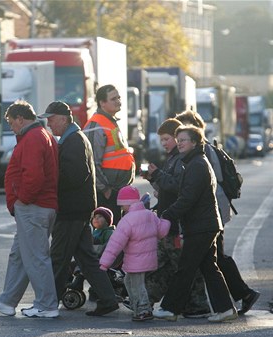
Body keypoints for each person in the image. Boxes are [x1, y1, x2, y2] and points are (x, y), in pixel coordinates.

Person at [175, 110, 260, 314]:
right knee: (212, 258)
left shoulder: (204, 152)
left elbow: (211, 185)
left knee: (215, 258)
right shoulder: (199, 152)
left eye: (184, 129)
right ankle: (239, 296)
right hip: (211, 212)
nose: (179, 136)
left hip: (212, 212)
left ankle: (241, 295)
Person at [39, 101, 119, 317]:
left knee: (58, 258)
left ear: (64, 119)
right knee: (86, 259)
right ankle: (108, 299)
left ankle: (48, 303)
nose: (49, 124)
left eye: (51, 119)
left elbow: (75, 175)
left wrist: (50, 182)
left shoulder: (73, 140)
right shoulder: (73, 138)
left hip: (71, 210)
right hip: (78, 208)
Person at [0, 100, 59, 318]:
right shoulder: (41, 135)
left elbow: (33, 176)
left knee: (35, 257)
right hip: (38, 206)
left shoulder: (33, 138)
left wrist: (21, 200)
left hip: (34, 207)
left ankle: (47, 305)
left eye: (11, 122)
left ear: (20, 119)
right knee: (20, 255)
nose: (10, 127)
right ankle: (7, 301)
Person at [154, 125, 238, 323]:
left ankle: (169, 308)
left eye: (184, 140)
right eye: (179, 139)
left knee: (185, 267)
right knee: (209, 267)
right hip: (204, 224)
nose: (180, 143)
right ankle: (225, 308)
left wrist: (168, 214)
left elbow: (187, 198)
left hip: (201, 226)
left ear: (194, 142)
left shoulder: (197, 165)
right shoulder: (193, 163)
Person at [143, 118, 211, 318]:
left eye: (168, 139)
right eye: (162, 140)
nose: (165, 143)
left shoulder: (183, 161)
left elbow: (178, 187)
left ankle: (197, 305)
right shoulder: (175, 159)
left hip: (175, 222)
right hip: (168, 221)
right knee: (164, 264)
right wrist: (156, 182)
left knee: (181, 266)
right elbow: (170, 187)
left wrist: (158, 176)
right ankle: (146, 298)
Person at [99, 186, 170, 322]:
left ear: (127, 203)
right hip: (148, 259)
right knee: (130, 281)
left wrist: (105, 263)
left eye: (122, 205)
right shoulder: (149, 215)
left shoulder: (127, 220)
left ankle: (143, 309)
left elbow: (115, 244)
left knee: (137, 284)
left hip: (135, 261)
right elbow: (161, 231)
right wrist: (166, 221)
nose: (122, 208)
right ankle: (137, 306)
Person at [83, 84, 135, 225]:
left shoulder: (110, 122)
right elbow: (92, 162)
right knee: (108, 236)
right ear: (102, 103)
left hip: (116, 191)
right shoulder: (96, 125)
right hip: (107, 194)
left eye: (118, 97)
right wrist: (105, 190)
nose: (118, 101)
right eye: (113, 99)